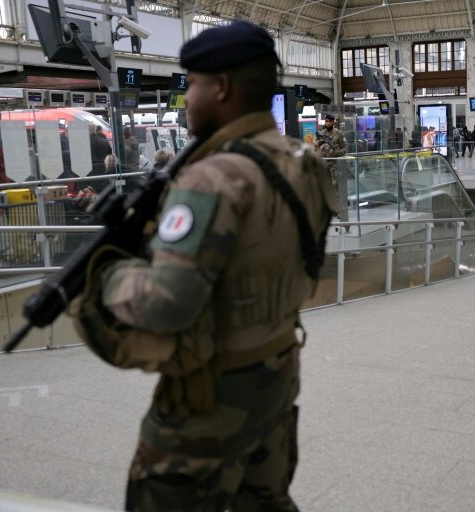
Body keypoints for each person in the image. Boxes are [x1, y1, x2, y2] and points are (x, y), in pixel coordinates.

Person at [69, 20, 334, 511]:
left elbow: (166, 304)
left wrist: (107, 277)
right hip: (276, 368)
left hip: (213, 394)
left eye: (191, 84)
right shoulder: (302, 161)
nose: (186, 99)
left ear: (222, 88)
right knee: (265, 501)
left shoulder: (213, 179)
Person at [315, 113, 348, 222]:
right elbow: (315, 148)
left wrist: (335, 152)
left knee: (336, 187)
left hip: (335, 164)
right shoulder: (321, 134)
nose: (327, 123)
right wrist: (320, 143)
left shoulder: (339, 134)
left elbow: (345, 149)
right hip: (323, 164)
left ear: (333, 122)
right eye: (326, 121)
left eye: (329, 121)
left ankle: (338, 210)